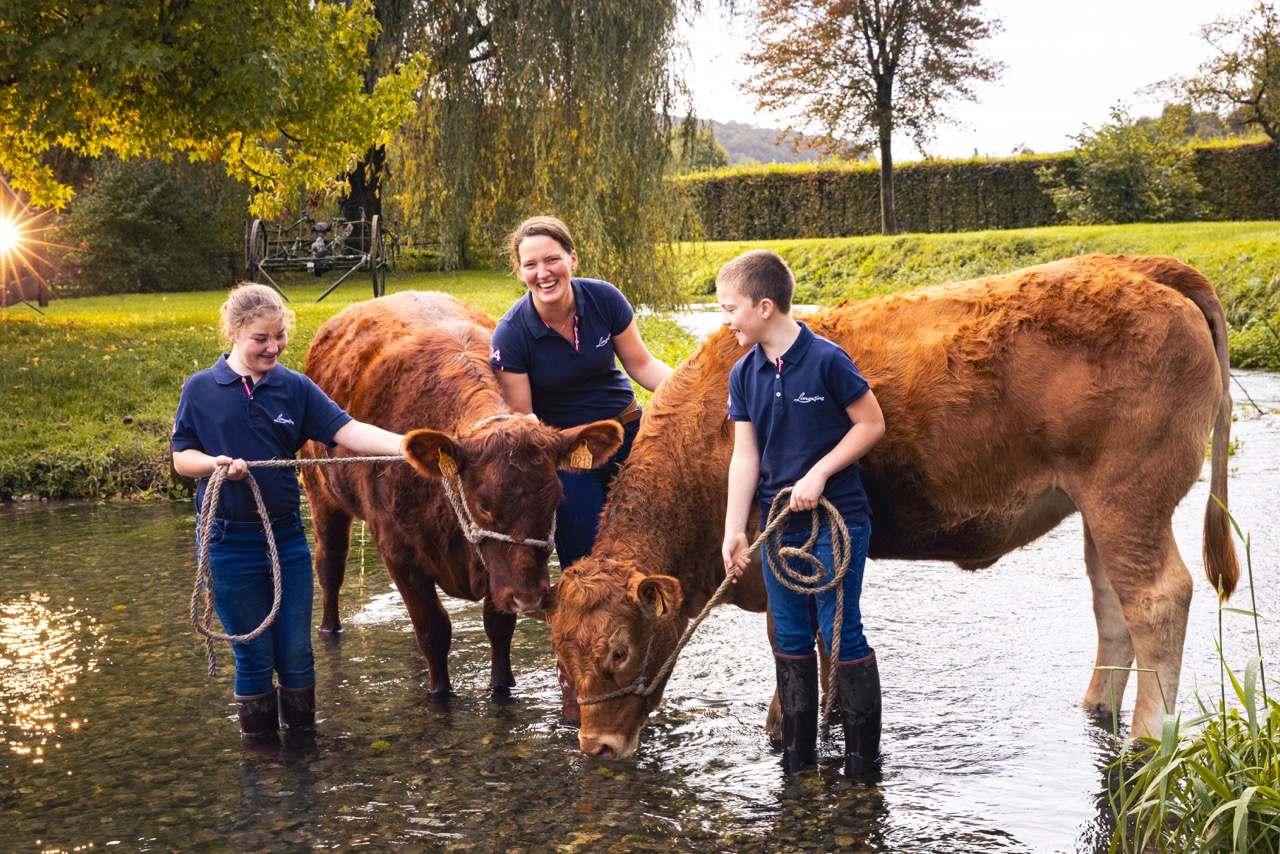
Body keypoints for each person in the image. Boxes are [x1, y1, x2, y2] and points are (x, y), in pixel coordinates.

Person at [172, 283, 405, 744]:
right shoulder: (201, 388)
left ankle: (302, 745)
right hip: (226, 543)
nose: (273, 346)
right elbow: (182, 458)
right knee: (254, 654)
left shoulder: (293, 387)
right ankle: (260, 752)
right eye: (262, 338)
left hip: (286, 540)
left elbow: (348, 430)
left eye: (280, 336)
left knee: (297, 652)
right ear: (235, 333)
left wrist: (406, 445)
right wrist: (214, 465)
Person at [718, 250, 886, 778]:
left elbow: (870, 424)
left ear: (765, 307)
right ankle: (798, 763)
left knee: (842, 632)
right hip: (777, 527)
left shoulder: (828, 359)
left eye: (731, 309)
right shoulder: (743, 373)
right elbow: (745, 456)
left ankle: (862, 766)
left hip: (838, 519)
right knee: (789, 637)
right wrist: (734, 530)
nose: (727, 321)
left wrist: (819, 473)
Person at [489, 215, 673, 570]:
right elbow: (523, 419)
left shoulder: (604, 298)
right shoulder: (510, 334)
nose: (543, 272)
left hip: (629, 434)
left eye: (552, 259)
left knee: (657, 549)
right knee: (588, 563)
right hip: (569, 453)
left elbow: (643, 366)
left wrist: (696, 394)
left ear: (572, 259)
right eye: (531, 264)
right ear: (520, 272)